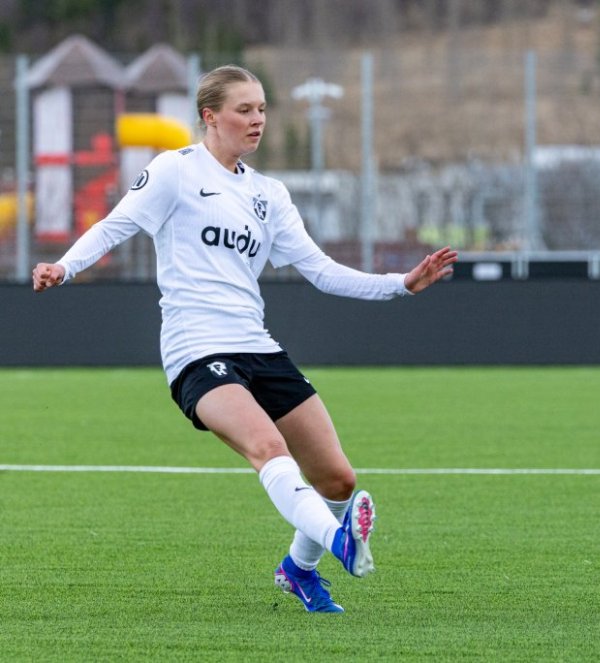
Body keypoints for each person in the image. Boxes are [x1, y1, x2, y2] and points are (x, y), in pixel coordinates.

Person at [32, 64, 458, 614]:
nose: (257, 120)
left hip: (257, 346)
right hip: (196, 350)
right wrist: (64, 267)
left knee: (337, 479)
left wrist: (400, 284)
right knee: (268, 449)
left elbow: (321, 271)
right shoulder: (175, 170)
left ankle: (298, 570)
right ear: (210, 116)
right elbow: (116, 224)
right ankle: (340, 543)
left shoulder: (268, 194)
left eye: (261, 109)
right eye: (244, 110)